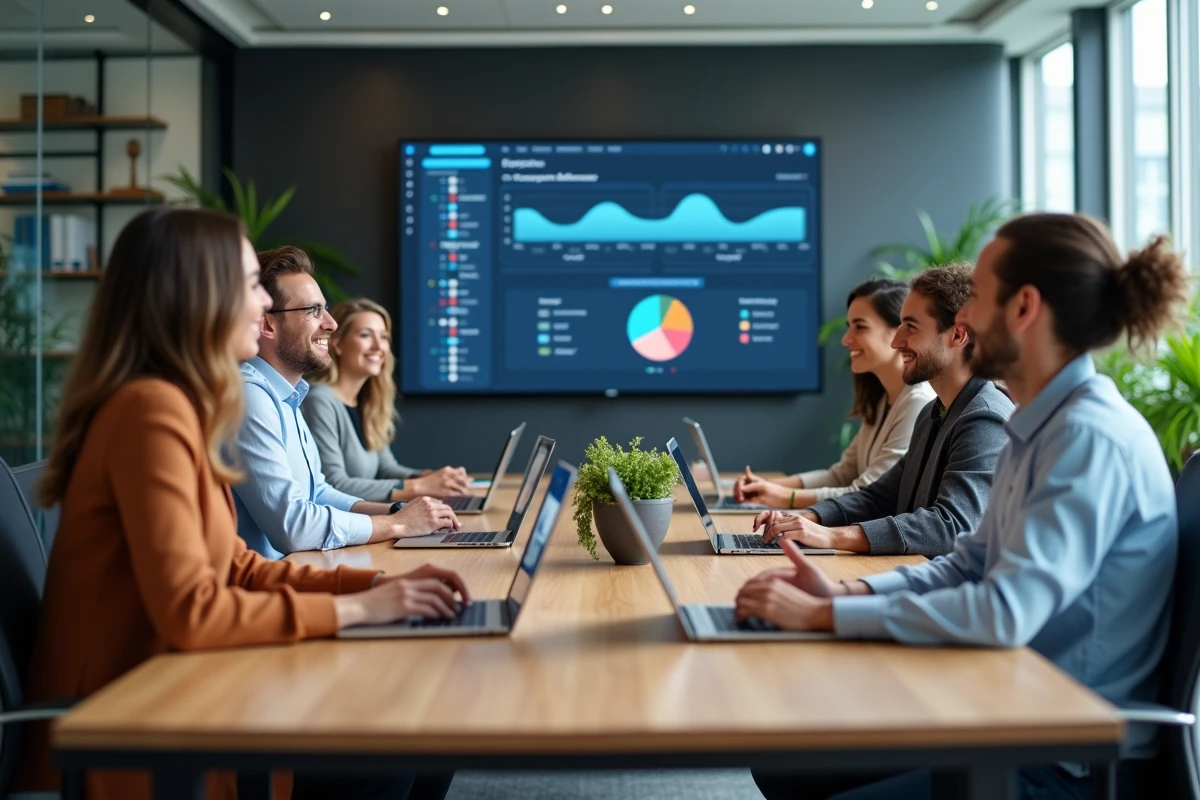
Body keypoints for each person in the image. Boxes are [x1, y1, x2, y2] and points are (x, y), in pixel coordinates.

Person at [15, 208, 470, 800]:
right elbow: (194, 611)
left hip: (179, 696)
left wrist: (376, 588)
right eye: (251, 284)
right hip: (130, 731)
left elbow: (235, 565)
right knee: (404, 744)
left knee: (426, 730)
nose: (261, 306)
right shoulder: (149, 413)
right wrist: (360, 610)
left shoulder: (179, 406)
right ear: (198, 296)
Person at [740, 213, 1188, 800]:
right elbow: (970, 563)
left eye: (976, 296)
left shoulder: (1086, 439)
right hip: (1004, 709)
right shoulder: (1038, 425)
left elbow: (1003, 611)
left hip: (1063, 756)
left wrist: (826, 617)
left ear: (1024, 307)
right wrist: (844, 594)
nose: (965, 320)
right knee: (785, 767)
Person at [751, 265, 1014, 556]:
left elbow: (951, 526)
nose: (896, 341)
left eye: (911, 327)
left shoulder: (985, 419)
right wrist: (806, 518)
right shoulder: (932, 414)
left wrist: (833, 536)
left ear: (958, 335)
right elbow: (878, 497)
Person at [232, 246, 461, 559]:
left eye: (325, 309)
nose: (330, 323)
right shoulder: (250, 396)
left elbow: (319, 493)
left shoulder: (288, 396)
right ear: (268, 324)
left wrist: (398, 511)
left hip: (301, 569)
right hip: (270, 580)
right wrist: (396, 525)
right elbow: (293, 527)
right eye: (313, 311)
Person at [733, 278, 936, 509]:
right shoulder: (882, 400)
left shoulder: (918, 403)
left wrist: (786, 497)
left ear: (898, 331)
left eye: (860, 326)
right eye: (849, 326)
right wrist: (767, 486)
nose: (846, 339)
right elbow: (841, 475)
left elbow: (869, 493)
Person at [304, 297, 470, 502]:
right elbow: (334, 484)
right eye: (365, 335)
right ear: (337, 344)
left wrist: (432, 478)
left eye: (383, 337)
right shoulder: (319, 400)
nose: (378, 346)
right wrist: (419, 486)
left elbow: (386, 469)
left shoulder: (367, 402)